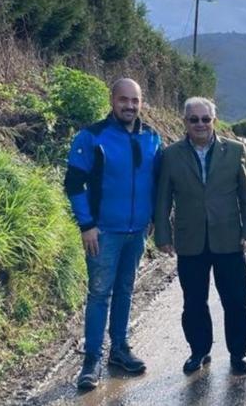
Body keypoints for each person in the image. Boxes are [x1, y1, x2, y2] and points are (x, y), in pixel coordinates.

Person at [63, 78, 163, 390]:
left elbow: (158, 182)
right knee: (99, 294)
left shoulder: (152, 137)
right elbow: (73, 183)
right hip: (103, 232)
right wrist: (86, 225)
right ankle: (91, 359)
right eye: (124, 100)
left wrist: (155, 219)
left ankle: (120, 349)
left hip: (137, 233)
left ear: (141, 103)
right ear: (112, 100)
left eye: (135, 100)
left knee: (125, 291)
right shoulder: (92, 136)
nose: (129, 106)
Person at [154, 97, 246, 375]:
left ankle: (239, 353)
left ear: (214, 120)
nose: (200, 124)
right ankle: (199, 351)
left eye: (205, 119)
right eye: (194, 119)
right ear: (185, 122)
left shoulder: (235, 151)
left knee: (236, 300)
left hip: (229, 239)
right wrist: (163, 233)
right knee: (194, 301)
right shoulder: (171, 154)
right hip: (190, 240)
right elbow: (163, 198)